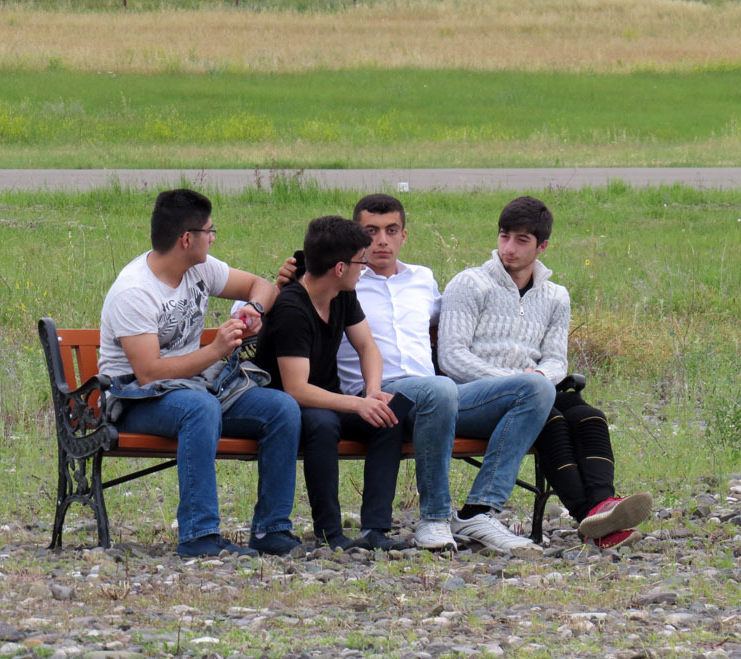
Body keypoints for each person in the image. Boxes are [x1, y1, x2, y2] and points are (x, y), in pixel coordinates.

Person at [278, 195, 555, 554]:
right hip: (380, 397)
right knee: (439, 389)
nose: (381, 241)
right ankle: (434, 519)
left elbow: (460, 327)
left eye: (391, 231)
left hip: (438, 398)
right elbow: (284, 306)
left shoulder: (422, 279)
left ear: (404, 235)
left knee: (537, 388)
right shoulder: (344, 279)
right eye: (371, 232)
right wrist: (282, 283)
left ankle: (478, 511)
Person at [439, 195, 653, 549]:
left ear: (542, 246)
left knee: (589, 416)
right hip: (477, 396)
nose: (509, 248)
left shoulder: (555, 296)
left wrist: (540, 379)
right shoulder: (470, 283)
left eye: (521, 240)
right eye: (504, 236)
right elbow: (452, 357)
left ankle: (602, 507)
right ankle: (592, 517)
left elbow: (555, 359)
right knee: (550, 419)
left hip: (533, 391)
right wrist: (519, 383)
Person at [98, 189, 302, 558]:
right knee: (199, 409)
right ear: (186, 239)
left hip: (194, 388)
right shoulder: (134, 291)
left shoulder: (201, 268)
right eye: (209, 231)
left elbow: (261, 286)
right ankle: (199, 535)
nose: (213, 238)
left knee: (281, 408)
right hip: (135, 399)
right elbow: (149, 373)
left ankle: (271, 529)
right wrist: (216, 350)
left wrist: (254, 309)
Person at [255, 215, 408, 551]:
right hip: (287, 407)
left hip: (328, 398)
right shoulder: (292, 308)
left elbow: (367, 347)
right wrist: (357, 404)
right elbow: (296, 388)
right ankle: (330, 532)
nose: (364, 269)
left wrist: (372, 392)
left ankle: (376, 529)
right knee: (323, 424)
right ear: (340, 268)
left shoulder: (341, 294)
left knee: (388, 416)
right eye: (360, 262)